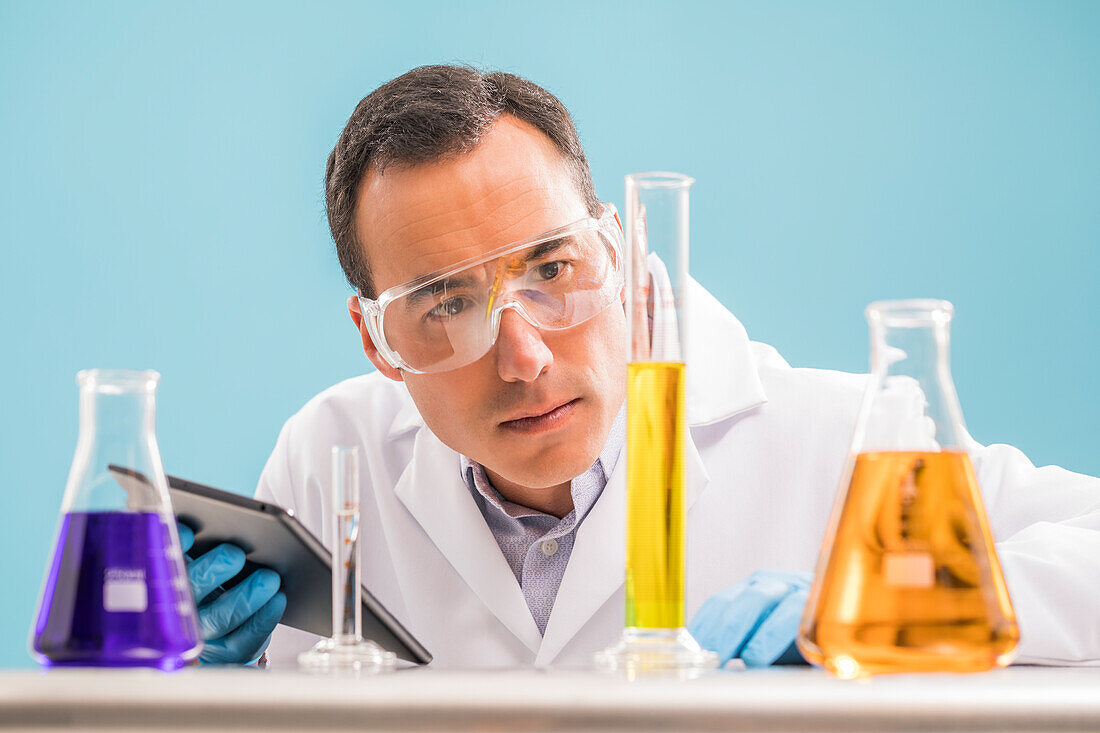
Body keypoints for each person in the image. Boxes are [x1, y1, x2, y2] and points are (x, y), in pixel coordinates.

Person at [182, 65, 1100, 669]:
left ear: (615, 252)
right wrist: (195, 694)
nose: (525, 355)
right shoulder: (326, 461)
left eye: (552, 269)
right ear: (376, 337)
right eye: (447, 304)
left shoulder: (847, 441)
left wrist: (875, 604)